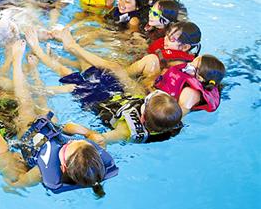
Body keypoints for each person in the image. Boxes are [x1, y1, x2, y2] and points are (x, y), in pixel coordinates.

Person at [24, 27, 183, 144]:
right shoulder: (169, 119)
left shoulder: (126, 130)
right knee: (95, 67)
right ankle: (68, 48)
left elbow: (100, 139)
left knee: (64, 72)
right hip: (117, 93)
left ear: (142, 116)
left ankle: (37, 48)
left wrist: (83, 131)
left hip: (98, 101)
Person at [5, 40, 118, 196]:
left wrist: (12, 160)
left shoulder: (41, 173)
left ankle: (17, 61)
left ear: (63, 167)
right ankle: (34, 72)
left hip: (29, 135)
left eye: (69, 145)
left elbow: (17, 184)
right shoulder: (96, 157)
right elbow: (75, 134)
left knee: (25, 102)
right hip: (53, 130)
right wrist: (86, 133)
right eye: (77, 141)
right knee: (46, 107)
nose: (71, 140)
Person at [128, 21, 202, 88]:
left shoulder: (180, 63)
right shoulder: (168, 48)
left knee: (151, 59)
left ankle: (124, 75)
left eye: (171, 39)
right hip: (149, 78)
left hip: (151, 86)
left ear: (185, 47)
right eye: (167, 34)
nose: (165, 39)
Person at [154, 54, 225, 116]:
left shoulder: (190, 94)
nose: (187, 65)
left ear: (199, 78)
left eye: (191, 66)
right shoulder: (187, 73)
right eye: (192, 61)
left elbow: (174, 118)